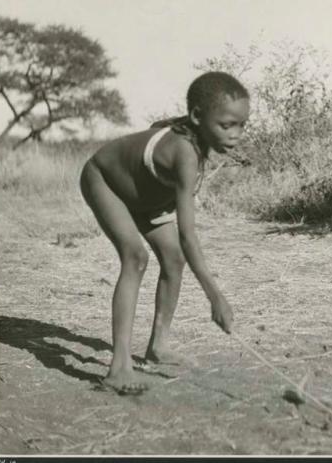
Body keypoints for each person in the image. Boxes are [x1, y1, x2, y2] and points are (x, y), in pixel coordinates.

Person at [80, 71, 250, 394]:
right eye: (226, 125)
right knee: (136, 257)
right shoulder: (185, 153)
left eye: (242, 125)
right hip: (103, 180)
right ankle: (118, 367)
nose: (236, 134)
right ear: (198, 116)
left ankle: (157, 346)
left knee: (173, 259)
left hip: (143, 197)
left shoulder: (192, 138)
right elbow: (188, 235)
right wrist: (215, 297)